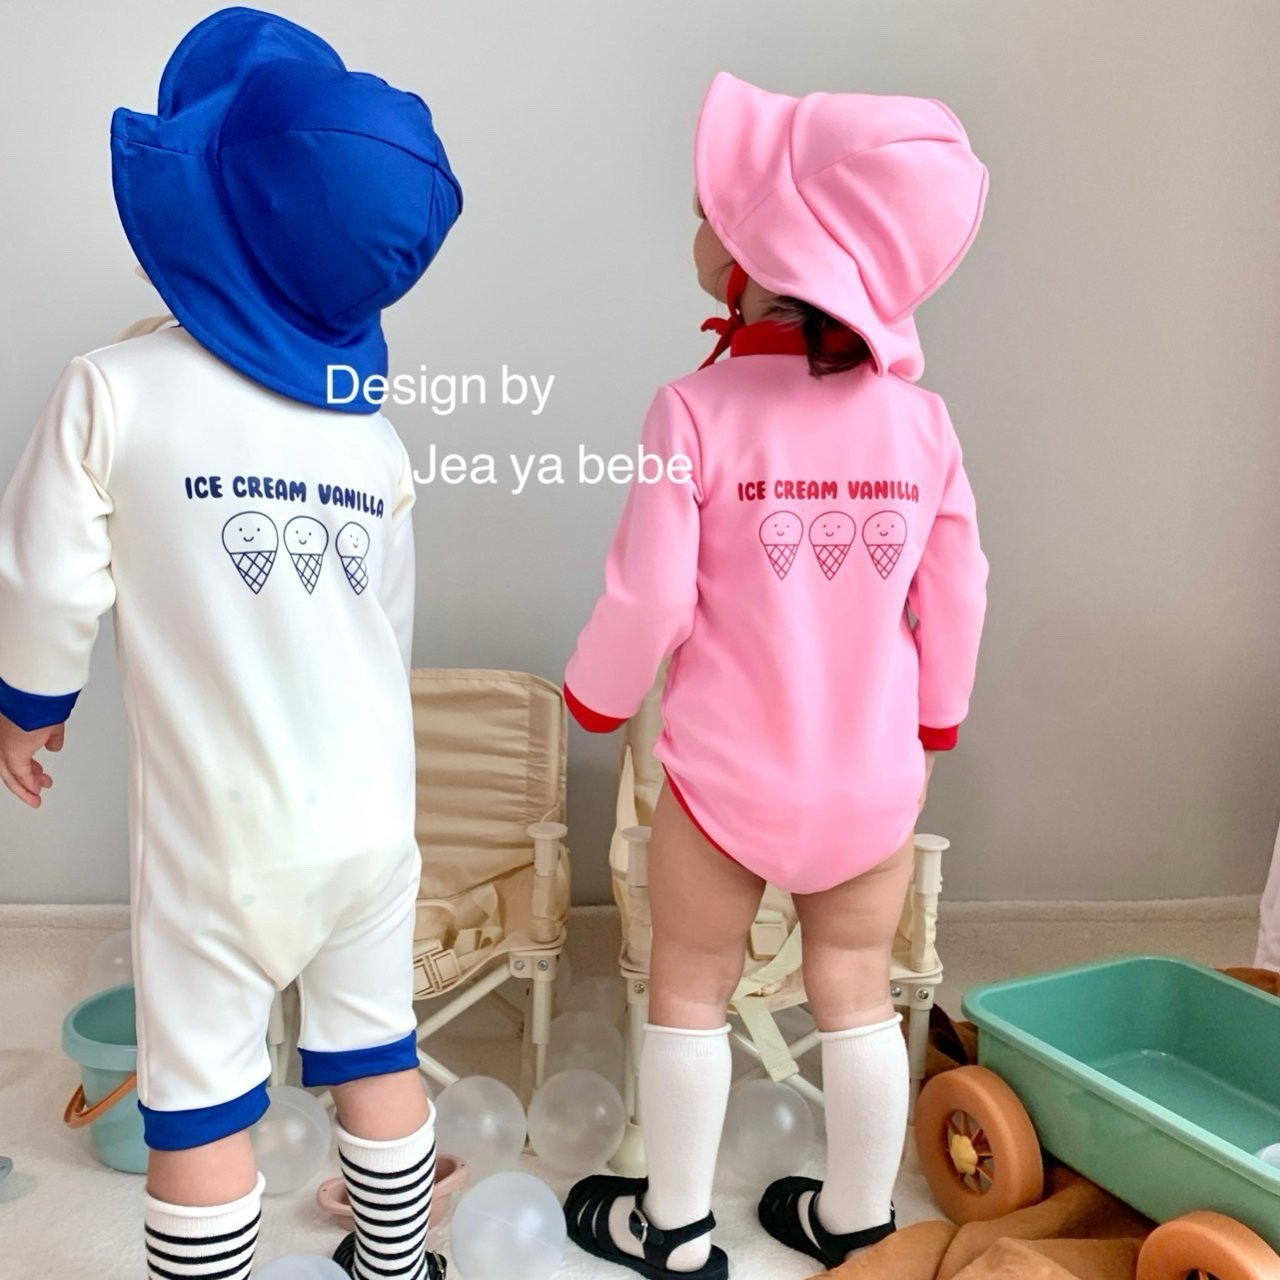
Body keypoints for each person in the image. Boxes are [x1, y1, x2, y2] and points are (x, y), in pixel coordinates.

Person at [0, 10, 461, 1278]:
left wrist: (29, 706)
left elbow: (43, 577)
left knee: (199, 1095)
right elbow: (384, 630)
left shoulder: (114, 390)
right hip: (371, 818)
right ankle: (399, 1264)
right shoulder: (370, 438)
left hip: (222, 841)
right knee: (376, 1050)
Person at [562, 73, 989, 1276]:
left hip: (722, 777)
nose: (696, 227)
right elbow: (958, 588)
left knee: (689, 983)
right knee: (854, 985)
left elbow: (648, 597)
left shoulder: (691, 408)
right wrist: (934, 722)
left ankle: (675, 1228)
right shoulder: (920, 424)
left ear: (757, 251)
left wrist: (595, 694)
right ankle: (855, 1221)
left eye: (709, 210)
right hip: (868, 780)